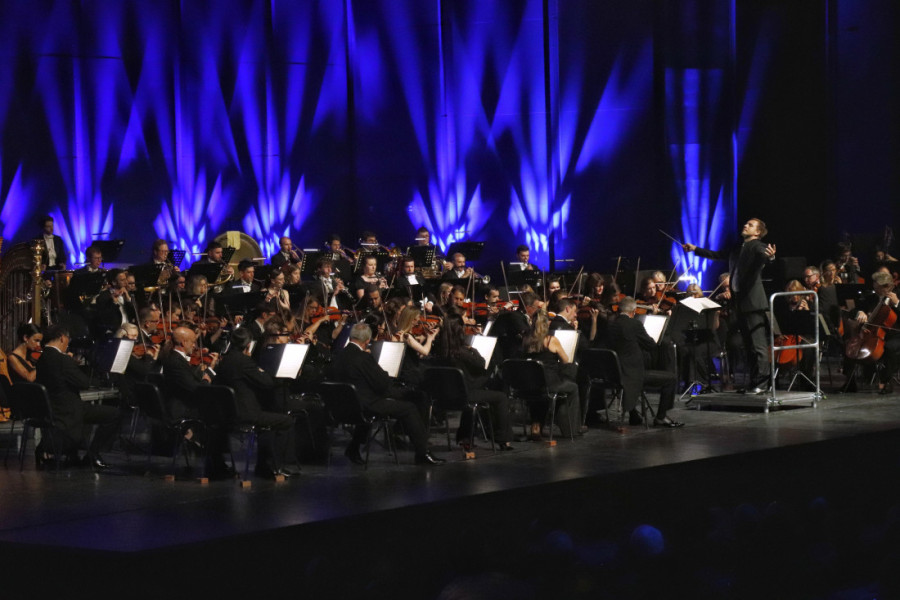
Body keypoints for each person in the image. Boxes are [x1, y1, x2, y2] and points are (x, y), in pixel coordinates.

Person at [326, 323, 445, 465]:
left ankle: (354, 447)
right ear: (367, 341)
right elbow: (382, 384)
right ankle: (422, 453)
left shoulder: (338, 355)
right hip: (366, 405)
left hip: (343, 406)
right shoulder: (363, 358)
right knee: (410, 407)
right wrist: (383, 373)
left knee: (413, 397)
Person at [683, 218, 777, 393]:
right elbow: (718, 255)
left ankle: (762, 384)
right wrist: (695, 249)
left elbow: (765, 256)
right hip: (740, 303)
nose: (745, 225)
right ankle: (753, 383)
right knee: (748, 346)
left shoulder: (757, 246)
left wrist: (770, 257)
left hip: (753, 304)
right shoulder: (738, 247)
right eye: (745, 223)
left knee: (758, 346)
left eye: (750, 225)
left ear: (757, 232)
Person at [215, 327, 301, 478]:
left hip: (228, 412)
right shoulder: (244, 362)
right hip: (246, 413)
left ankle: (264, 464)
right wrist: (263, 372)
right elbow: (267, 383)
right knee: (285, 421)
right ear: (248, 345)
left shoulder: (225, 360)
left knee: (269, 421)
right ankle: (276, 466)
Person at [35, 325, 120, 469]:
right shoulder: (62, 360)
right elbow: (84, 383)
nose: (68, 344)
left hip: (51, 408)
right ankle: (92, 454)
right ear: (62, 337)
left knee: (91, 413)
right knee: (115, 414)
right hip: (69, 410)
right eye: (68, 340)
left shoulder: (42, 358)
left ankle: (78, 453)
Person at [609, 297, 682, 428]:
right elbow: (651, 345)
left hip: (614, 372)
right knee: (671, 378)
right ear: (634, 311)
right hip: (632, 373)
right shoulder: (634, 324)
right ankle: (661, 417)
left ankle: (633, 414)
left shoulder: (611, 324)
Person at [522, 309, 579, 440]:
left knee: (541, 389)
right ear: (547, 323)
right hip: (549, 384)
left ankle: (536, 426)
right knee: (573, 387)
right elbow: (566, 360)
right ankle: (570, 429)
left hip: (529, 384)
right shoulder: (551, 340)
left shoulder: (526, 340)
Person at [847, 271, 900, 394]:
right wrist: (859, 312)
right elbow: (853, 311)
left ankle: (886, 382)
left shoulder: (898, 296)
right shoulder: (871, 297)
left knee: (889, 347)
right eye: (875, 288)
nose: (875, 291)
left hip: (896, 335)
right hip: (874, 335)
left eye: (878, 289)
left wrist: (897, 304)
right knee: (850, 345)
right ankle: (850, 382)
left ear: (888, 286)